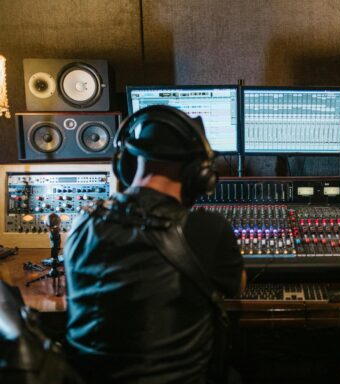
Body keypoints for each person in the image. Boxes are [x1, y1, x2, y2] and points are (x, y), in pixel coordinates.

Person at [63, 105, 246, 384]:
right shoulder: (206, 228)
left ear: (125, 163)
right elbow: (238, 286)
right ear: (199, 175)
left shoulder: (81, 222)